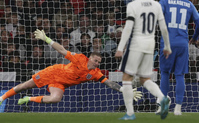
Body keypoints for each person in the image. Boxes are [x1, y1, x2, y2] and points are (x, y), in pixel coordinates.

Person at [0, 29, 142, 107]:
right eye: (96, 60)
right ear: (90, 58)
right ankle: (2, 97)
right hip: (52, 72)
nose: (97, 63)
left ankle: (28, 99)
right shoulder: (80, 58)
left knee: (55, 99)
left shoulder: (95, 73)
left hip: (60, 83)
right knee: (25, 85)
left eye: (99, 62)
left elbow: (109, 83)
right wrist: (47, 39)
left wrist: (123, 89)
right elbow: (62, 50)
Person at [115, 0, 172, 120]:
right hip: (150, 44)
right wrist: (167, 46)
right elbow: (164, 28)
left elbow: (128, 28)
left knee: (126, 78)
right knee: (144, 78)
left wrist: (121, 48)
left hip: (136, 43)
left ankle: (129, 113)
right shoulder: (156, 5)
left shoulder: (133, 5)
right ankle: (162, 97)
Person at [155, 0, 199, 116]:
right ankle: (178, 108)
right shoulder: (188, 3)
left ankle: (163, 106)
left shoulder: (164, 1)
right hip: (182, 43)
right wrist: (195, 37)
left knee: (165, 73)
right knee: (180, 75)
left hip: (167, 43)